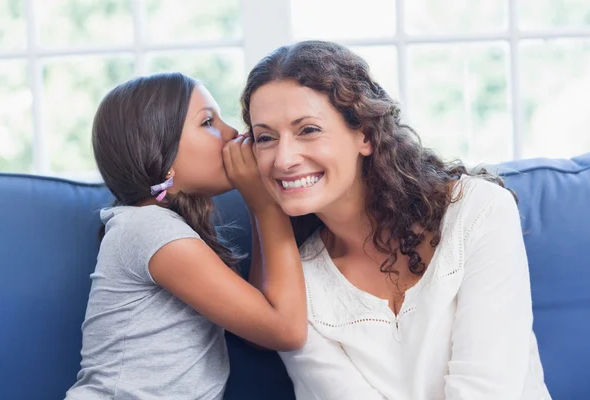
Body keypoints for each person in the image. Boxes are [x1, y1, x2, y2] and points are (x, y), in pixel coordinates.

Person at [242, 41, 551, 399]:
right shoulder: (297, 287)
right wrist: (260, 206)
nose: (283, 159)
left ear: (367, 135)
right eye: (265, 138)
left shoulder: (478, 211)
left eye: (308, 130)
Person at [65, 72, 307, 400]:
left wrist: (256, 203)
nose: (233, 133)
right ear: (161, 156)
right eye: (208, 122)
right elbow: (287, 331)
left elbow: (262, 332)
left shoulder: (167, 227)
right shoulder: (151, 229)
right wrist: (266, 206)